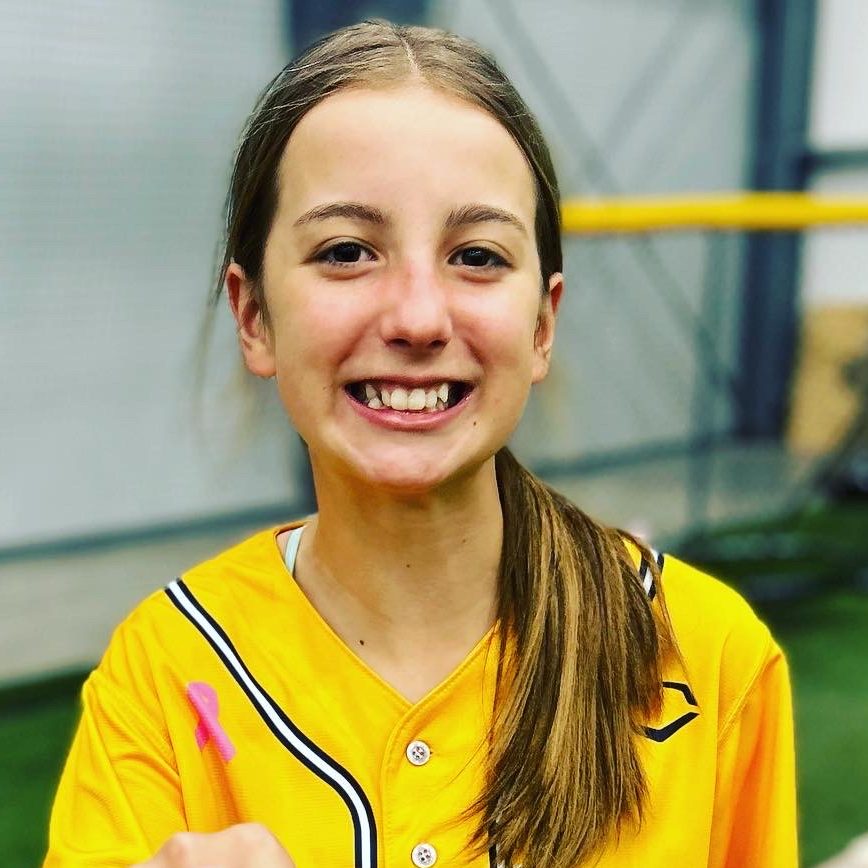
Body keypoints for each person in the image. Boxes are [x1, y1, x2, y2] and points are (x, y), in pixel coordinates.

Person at [43, 20, 797, 868]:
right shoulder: (164, 673)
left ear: (543, 324)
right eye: (346, 251)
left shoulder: (706, 652)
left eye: (477, 255)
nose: (417, 318)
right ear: (254, 316)